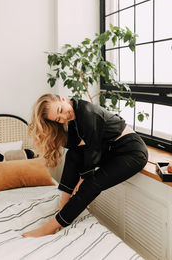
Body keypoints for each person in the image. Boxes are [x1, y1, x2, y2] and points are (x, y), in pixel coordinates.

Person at [22, 93, 148, 238]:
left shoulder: (86, 112)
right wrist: (48, 133)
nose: (63, 117)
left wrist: (83, 178)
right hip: (111, 150)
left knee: (91, 184)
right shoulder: (74, 115)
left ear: (62, 99)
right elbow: (77, 145)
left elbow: (94, 150)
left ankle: (52, 226)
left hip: (132, 151)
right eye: (58, 119)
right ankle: (64, 206)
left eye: (60, 110)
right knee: (73, 155)